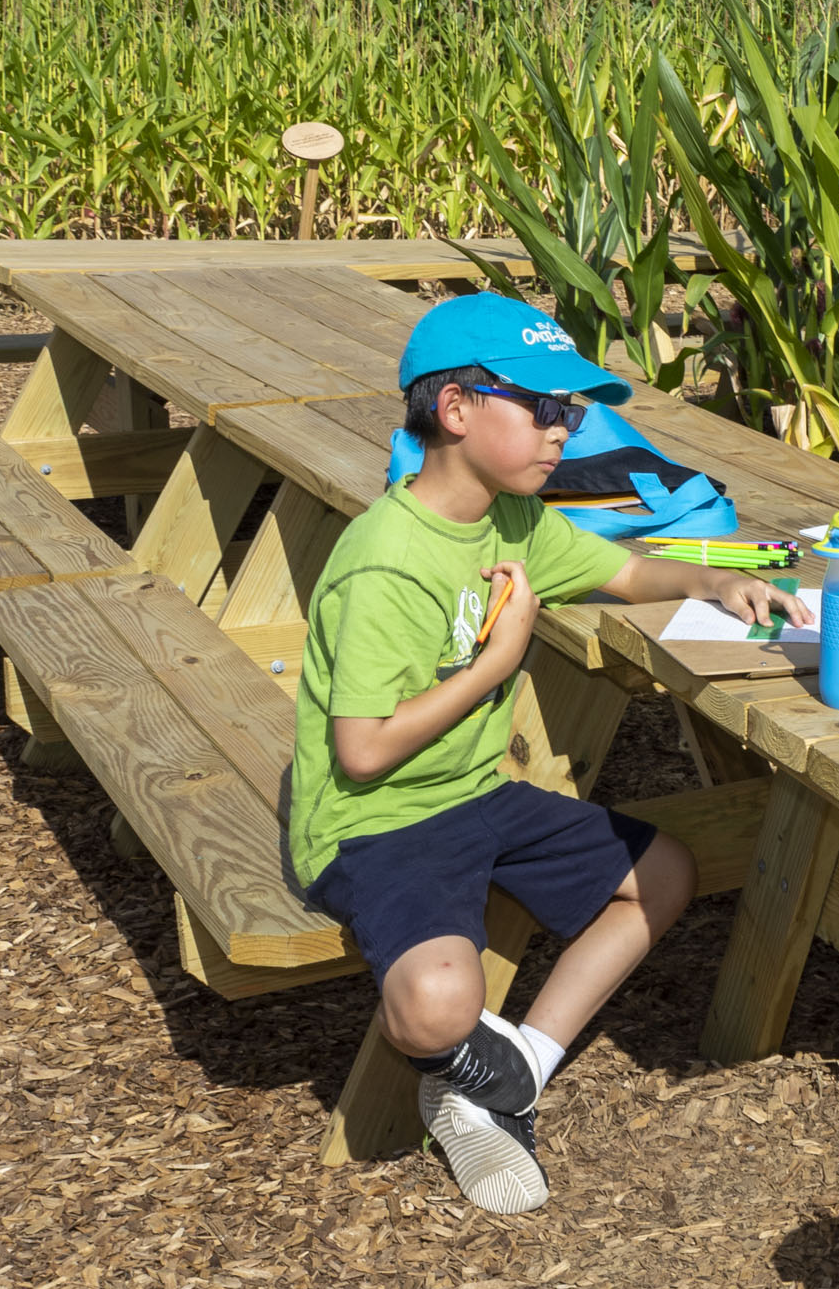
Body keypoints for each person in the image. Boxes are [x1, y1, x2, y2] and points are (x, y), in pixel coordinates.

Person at [288, 293, 805, 1214]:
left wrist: (720, 578)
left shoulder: (513, 518)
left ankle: (514, 1073)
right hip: (374, 824)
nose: (567, 432)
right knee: (436, 1003)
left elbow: (626, 569)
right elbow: (361, 754)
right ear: (455, 411)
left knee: (664, 872)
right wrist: (498, 662)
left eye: (571, 410)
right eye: (546, 410)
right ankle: (475, 1066)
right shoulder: (386, 561)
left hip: (477, 792)